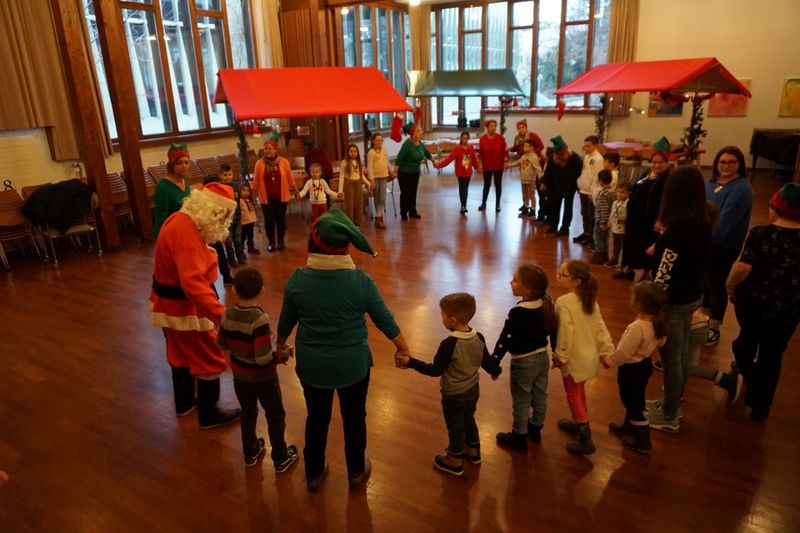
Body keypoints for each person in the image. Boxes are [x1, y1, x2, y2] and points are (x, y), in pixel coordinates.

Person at [277, 209, 411, 492]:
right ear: (346, 247)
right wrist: (403, 348)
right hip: (352, 366)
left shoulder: (298, 280)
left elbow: (285, 322)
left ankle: (314, 473)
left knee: (317, 418)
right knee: (354, 418)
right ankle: (356, 471)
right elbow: (384, 319)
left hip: (312, 366)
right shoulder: (361, 281)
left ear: (313, 243)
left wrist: (280, 345)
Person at [149, 181, 241, 429]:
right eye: (223, 216)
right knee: (209, 356)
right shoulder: (187, 234)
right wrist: (223, 315)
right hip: (183, 308)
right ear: (211, 209)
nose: (224, 222)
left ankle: (185, 402)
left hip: (167, 303)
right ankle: (209, 414)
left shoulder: (180, 219)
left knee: (179, 354)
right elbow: (193, 284)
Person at [396, 293, 496, 476]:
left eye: (442, 315)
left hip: (454, 395)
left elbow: (435, 370)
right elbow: (487, 361)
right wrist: (495, 371)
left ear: (452, 320)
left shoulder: (449, 344)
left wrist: (411, 362)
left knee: (455, 426)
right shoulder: (479, 337)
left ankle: (454, 461)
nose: (441, 317)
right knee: (469, 419)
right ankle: (473, 451)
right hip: (473, 390)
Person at [724, 183, 800, 421]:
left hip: (754, 305)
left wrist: (730, 285)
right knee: (773, 354)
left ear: (775, 208)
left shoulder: (761, 234)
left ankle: (749, 374)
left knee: (744, 344)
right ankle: (760, 405)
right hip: (788, 310)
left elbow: (743, 268)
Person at [647, 166, 711, 433]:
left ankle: (670, 414)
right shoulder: (702, 222)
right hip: (692, 296)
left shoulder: (677, 231)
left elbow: (663, 275)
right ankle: (672, 402)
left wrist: (652, 305)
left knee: (670, 359)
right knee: (681, 353)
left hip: (672, 302)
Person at [217, 268, 299, 470]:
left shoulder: (226, 314)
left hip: (240, 377)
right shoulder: (260, 319)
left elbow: (221, 344)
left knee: (248, 413)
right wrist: (283, 354)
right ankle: (280, 457)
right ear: (262, 290)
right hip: (263, 379)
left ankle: (250, 450)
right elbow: (263, 359)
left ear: (235, 290)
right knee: (275, 415)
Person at [490, 264, 557, 451]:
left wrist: (494, 362)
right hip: (542, 358)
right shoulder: (546, 304)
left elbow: (505, 339)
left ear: (527, 289)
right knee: (540, 394)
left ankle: (519, 437)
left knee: (521, 400)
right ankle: (535, 428)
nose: (510, 282)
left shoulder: (518, 312)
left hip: (523, 362)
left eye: (515, 280)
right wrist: (556, 353)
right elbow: (554, 331)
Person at [553, 260, 614, 455]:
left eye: (562, 274)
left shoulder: (564, 303)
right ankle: (579, 422)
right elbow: (600, 327)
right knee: (579, 392)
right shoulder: (590, 300)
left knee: (573, 396)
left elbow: (565, 333)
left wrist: (560, 357)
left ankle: (585, 439)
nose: (557, 276)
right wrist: (607, 351)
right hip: (589, 358)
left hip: (573, 359)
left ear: (576, 281)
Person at [600, 281, 668, 454]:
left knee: (631, 402)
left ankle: (642, 441)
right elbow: (662, 342)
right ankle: (629, 427)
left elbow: (624, 352)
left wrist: (609, 361)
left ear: (639, 303)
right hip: (644, 365)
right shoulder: (658, 323)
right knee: (636, 398)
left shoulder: (637, 327)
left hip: (631, 370)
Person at [702, 146, 753, 347]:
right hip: (706, 240)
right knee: (705, 281)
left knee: (716, 284)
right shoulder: (711, 183)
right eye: (722, 162)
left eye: (731, 162)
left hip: (723, 244)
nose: (725, 166)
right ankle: (703, 319)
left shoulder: (741, 188)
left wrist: (702, 234)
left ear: (739, 164)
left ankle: (714, 327)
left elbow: (725, 222)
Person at [613, 138, 671, 280]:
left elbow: (667, 200)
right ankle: (628, 268)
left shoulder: (668, 178)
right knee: (631, 242)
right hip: (635, 217)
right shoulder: (647, 172)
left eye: (660, 162)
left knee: (647, 244)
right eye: (654, 162)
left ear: (667, 163)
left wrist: (661, 219)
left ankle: (646, 273)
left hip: (650, 218)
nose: (657, 165)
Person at [253, 139, 301, 252]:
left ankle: (280, 241)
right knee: (269, 221)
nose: (267, 150)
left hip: (281, 197)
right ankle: (271, 242)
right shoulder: (259, 164)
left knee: (281, 220)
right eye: (265, 148)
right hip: (266, 198)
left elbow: (290, 178)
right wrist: (253, 197)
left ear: (275, 149)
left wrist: (296, 191)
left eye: (269, 148)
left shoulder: (284, 162)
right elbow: (255, 182)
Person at [541, 136, 582, 236]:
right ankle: (553, 225)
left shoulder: (575, 158)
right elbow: (548, 172)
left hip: (570, 187)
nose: (562, 157)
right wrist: (544, 183)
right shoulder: (552, 158)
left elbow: (578, 173)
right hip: (556, 186)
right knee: (555, 206)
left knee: (568, 207)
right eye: (560, 155)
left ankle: (565, 228)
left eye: (564, 154)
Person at [394, 123, 433, 220]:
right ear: (414, 133)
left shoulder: (420, 143)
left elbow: (426, 152)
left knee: (413, 192)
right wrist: (395, 171)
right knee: (405, 193)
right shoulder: (407, 145)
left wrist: (433, 160)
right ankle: (403, 212)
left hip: (415, 172)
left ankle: (412, 211)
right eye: (420, 131)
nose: (422, 133)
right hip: (404, 173)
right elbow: (399, 158)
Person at [433, 131, 479, 215]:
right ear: (461, 139)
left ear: (468, 139)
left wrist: (478, 168)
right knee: (462, 188)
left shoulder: (471, 148)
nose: (465, 140)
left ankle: (464, 206)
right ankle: (462, 205)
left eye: (466, 138)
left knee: (465, 189)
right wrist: (438, 165)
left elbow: (474, 160)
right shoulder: (457, 148)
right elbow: (448, 159)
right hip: (460, 172)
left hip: (468, 172)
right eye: (463, 138)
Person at [152, 143, 191, 238]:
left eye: (186, 162)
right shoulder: (163, 187)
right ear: (172, 165)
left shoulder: (185, 181)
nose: (184, 166)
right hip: (169, 232)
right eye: (179, 163)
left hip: (185, 228)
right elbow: (161, 218)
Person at [203, 175, 235, 286]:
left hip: (213, 233)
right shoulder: (206, 202)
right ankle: (220, 278)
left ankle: (226, 277)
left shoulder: (218, 200)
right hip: (205, 234)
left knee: (220, 255)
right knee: (215, 256)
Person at [573, 136, 604, 247]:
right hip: (583, 189)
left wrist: (592, 191)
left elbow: (597, 176)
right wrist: (579, 183)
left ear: (595, 145)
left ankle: (591, 236)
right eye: (585, 145)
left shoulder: (598, 159)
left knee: (591, 215)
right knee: (584, 213)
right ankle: (585, 233)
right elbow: (584, 172)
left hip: (591, 191)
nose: (585, 148)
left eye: (588, 146)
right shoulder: (587, 157)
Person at [512, 119, 546, 213]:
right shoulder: (517, 138)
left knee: (537, 186)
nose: (521, 129)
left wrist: (530, 153)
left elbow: (541, 146)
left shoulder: (532, 135)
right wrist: (507, 149)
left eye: (523, 127)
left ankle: (541, 207)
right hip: (524, 162)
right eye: (519, 128)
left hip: (534, 161)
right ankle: (525, 205)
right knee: (525, 187)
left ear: (526, 128)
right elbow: (515, 148)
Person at [505, 139, 543, 218]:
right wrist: (509, 165)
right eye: (524, 146)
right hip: (523, 179)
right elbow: (517, 162)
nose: (524, 148)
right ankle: (526, 207)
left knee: (531, 195)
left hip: (530, 180)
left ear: (531, 147)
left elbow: (538, 169)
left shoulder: (533, 157)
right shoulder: (524, 156)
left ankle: (533, 209)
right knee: (525, 194)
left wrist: (541, 179)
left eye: (526, 146)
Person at [477, 119, 508, 212]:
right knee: (487, 185)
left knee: (498, 185)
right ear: (487, 127)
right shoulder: (482, 139)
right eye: (491, 126)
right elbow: (480, 153)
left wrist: (505, 161)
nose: (493, 128)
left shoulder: (500, 138)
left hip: (498, 165)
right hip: (487, 165)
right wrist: (479, 165)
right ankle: (483, 203)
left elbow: (505, 151)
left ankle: (498, 204)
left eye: (495, 126)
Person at [338, 143, 371, 226]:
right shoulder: (344, 162)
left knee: (358, 204)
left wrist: (368, 183)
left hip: (358, 184)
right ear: (348, 152)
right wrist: (340, 190)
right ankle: (350, 223)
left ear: (357, 153)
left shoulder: (358, 162)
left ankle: (357, 222)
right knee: (349, 204)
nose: (353, 153)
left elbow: (361, 175)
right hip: (349, 184)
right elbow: (341, 176)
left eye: (355, 151)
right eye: (351, 151)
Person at [366, 133, 394, 229]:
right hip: (375, 177)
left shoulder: (384, 150)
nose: (380, 142)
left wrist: (391, 172)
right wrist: (372, 180)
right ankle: (379, 217)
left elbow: (387, 162)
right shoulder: (371, 152)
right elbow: (369, 166)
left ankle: (378, 217)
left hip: (384, 176)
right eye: (378, 140)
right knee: (376, 198)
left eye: (381, 140)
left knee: (382, 197)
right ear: (373, 141)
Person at [220, 163, 245, 266]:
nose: (228, 177)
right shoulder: (219, 188)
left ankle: (240, 256)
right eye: (225, 175)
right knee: (229, 241)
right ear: (220, 175)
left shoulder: (235, 186)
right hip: (226, 220)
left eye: (229, 174)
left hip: (237, 217)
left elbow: (239, 200)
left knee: (238, 239)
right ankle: (231, 259)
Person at [592, 170, 615, 264]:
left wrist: (602, 222)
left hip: (601, 221)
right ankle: (605, 255)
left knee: (598, 238)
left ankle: (599, 256)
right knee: (605, 238)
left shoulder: (603, 194)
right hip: (609, 220)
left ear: (601, 181)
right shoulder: (612, 192)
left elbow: (604, 209)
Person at [608, 183, 629, 268]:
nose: (619, 194)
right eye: (618, 192)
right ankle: (614, 259)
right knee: (616, 245)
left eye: (622, 192)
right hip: (615, 228)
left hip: (623, 230)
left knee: (624, 247)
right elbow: (612, 214)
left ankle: (624, 262)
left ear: (628, 193)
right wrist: (610, 223)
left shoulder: (628, 203)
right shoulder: (615, 202)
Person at [238, 183, 260, 254]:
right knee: (243, 236)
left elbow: (252, 211)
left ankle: (250, 247)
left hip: (251, 221)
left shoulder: (249, 200)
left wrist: (254, 219)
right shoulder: (239, 201)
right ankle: (241, 249)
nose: (246, 192)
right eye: (244, 190)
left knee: (251, 235)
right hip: (243, 222)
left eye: (248, 190)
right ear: (239, 191)